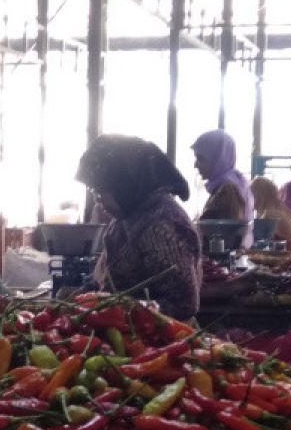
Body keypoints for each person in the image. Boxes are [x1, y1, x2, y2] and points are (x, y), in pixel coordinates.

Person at [76, 135, 202, 320]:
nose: (97, 199)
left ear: (124, 184)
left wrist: (121, 311)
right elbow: (107, 278)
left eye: (101, 191)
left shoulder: (161, 227)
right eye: (94, 191)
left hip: (162, 339)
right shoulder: (129, 215)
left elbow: (183, 304)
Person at [191, 130, 254, 227]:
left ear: (217, 159)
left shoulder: (227, 191)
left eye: (200, 159)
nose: (195, 165)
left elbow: (220, 235)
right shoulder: (235, 183)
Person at [252, 176, 291, 250]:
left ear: (258, 196)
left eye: (251, 196)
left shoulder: (270, 215)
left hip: (288, 259)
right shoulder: (286, 212)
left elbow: (261, 248)